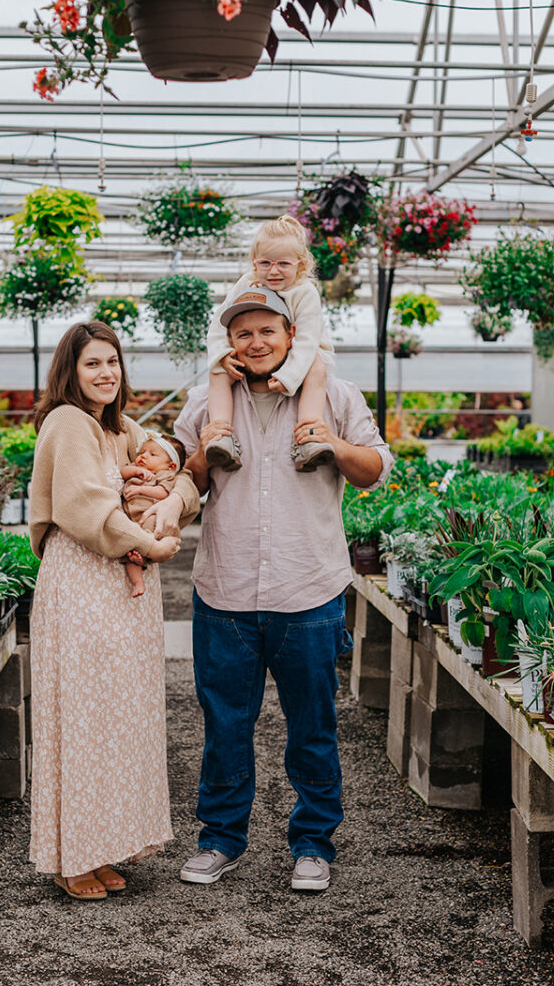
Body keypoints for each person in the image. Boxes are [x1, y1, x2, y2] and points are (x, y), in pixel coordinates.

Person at [174, 287, 393, 892]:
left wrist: (334, 447)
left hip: (309, 591)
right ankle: (220, 839)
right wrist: (185, 468)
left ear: (290, 334)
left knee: (314, 727)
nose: (256, 342)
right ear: (231, 342)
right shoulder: (206, 401)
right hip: (227, 592)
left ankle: (313, 844)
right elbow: (187, 477)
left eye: (267, 330)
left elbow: (376, 469)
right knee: (224, 727)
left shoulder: (336, 395)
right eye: (243, 333)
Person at [28, 321, 200, 900]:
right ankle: (72, 856)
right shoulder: (67, 423)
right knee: (80, 718)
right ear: (70, 373)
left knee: (115, 720)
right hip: (80, 583)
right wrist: (150, 543)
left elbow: (180, 477)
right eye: (92, 364)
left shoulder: (122, 429)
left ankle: (101, 846)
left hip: (121, 592)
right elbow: (86, 506)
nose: (106, 373)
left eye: (113, 362)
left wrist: (170, 502)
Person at [205, 214, 336, 473]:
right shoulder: (247, 282)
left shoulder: (305, 291)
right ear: (255, 263)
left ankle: (309, 438)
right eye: (265, 263)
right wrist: (222, 355)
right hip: (263, 354)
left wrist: (289, 375)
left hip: (303, 355)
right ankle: (221, 437)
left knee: (317, 369)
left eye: (283, 264)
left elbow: (308, 339)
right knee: (217, 373)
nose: (273, 271)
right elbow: (219, 324)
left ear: (299, 265)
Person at [120, 431, 186, 598]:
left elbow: (162, 493)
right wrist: (133, 470)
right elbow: (120, 472)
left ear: (170, 466)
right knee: (129, 553)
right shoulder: (137, 470)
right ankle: (137, 582)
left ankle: (143, 559)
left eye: (152, 454)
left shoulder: (166, 475)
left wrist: (141, 489)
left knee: (145, 542)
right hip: (131, 520)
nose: (143, 456)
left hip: (151, 518)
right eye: (142, 452)